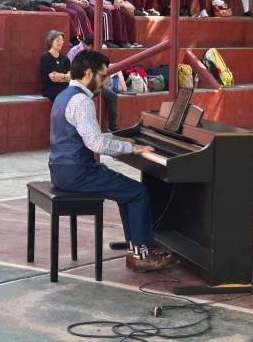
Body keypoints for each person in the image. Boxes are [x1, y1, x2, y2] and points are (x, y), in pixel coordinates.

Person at [48, 49, 174, 272]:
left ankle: (136, 247)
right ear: (89, 74)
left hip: (61, 170)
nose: (102, 82)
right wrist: (132, 147)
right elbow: (96, 144)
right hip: (79, 173)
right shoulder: (82, 101)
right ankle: (141, 255)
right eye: (102, 76)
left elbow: (86, 135)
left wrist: (119, 138)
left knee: (126, 192)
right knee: (138, 192)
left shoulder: (63, 96)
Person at [67, 36, 119, 131]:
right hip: (82, 82)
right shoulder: (83, 101)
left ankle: (113, 127)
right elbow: (94, 142)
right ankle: (113, 128)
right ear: (91, 46)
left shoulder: (65, 96)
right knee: (111, 95)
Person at [40, 31, 71, 102]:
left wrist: (61, 76)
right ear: (51, 41)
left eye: (62, 40)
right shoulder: (46, 57)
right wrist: (66, 77)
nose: (60, 43)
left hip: (64, 90)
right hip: (51, 91)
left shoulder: (65, 59)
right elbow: (53, 78)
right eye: (57, 40)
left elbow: (71, 78)